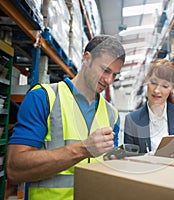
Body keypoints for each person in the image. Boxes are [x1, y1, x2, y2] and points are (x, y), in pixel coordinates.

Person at [6, 35, 126, 200]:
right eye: (105, 70)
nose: (108, 80)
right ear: (87, 58)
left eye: (115, 75)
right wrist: (83, 149)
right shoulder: (44, 97)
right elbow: (14, 169)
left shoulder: (112, 114)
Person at [124, 59, 174, 161]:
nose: (157, 90)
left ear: (172, 88)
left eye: (165, 86)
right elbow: (128, 160)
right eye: (153, 82)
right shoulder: (132, 120)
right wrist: (143, 159)